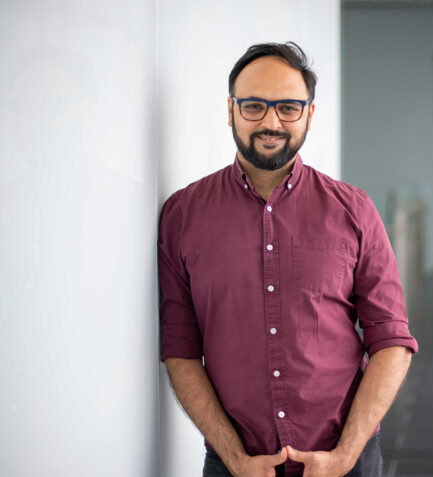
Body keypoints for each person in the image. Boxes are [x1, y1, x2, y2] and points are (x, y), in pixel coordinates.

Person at [158, 42, 418, 477]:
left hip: (346, 458)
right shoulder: (183, 214)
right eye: (254, 106)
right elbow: (180, 349)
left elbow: (392, 340)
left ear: (309, 114)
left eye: (289, 108)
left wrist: (344, 455)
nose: (271, 122)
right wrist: (235, 458)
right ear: (231, 110)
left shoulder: (354, 210)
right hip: (234, 463)